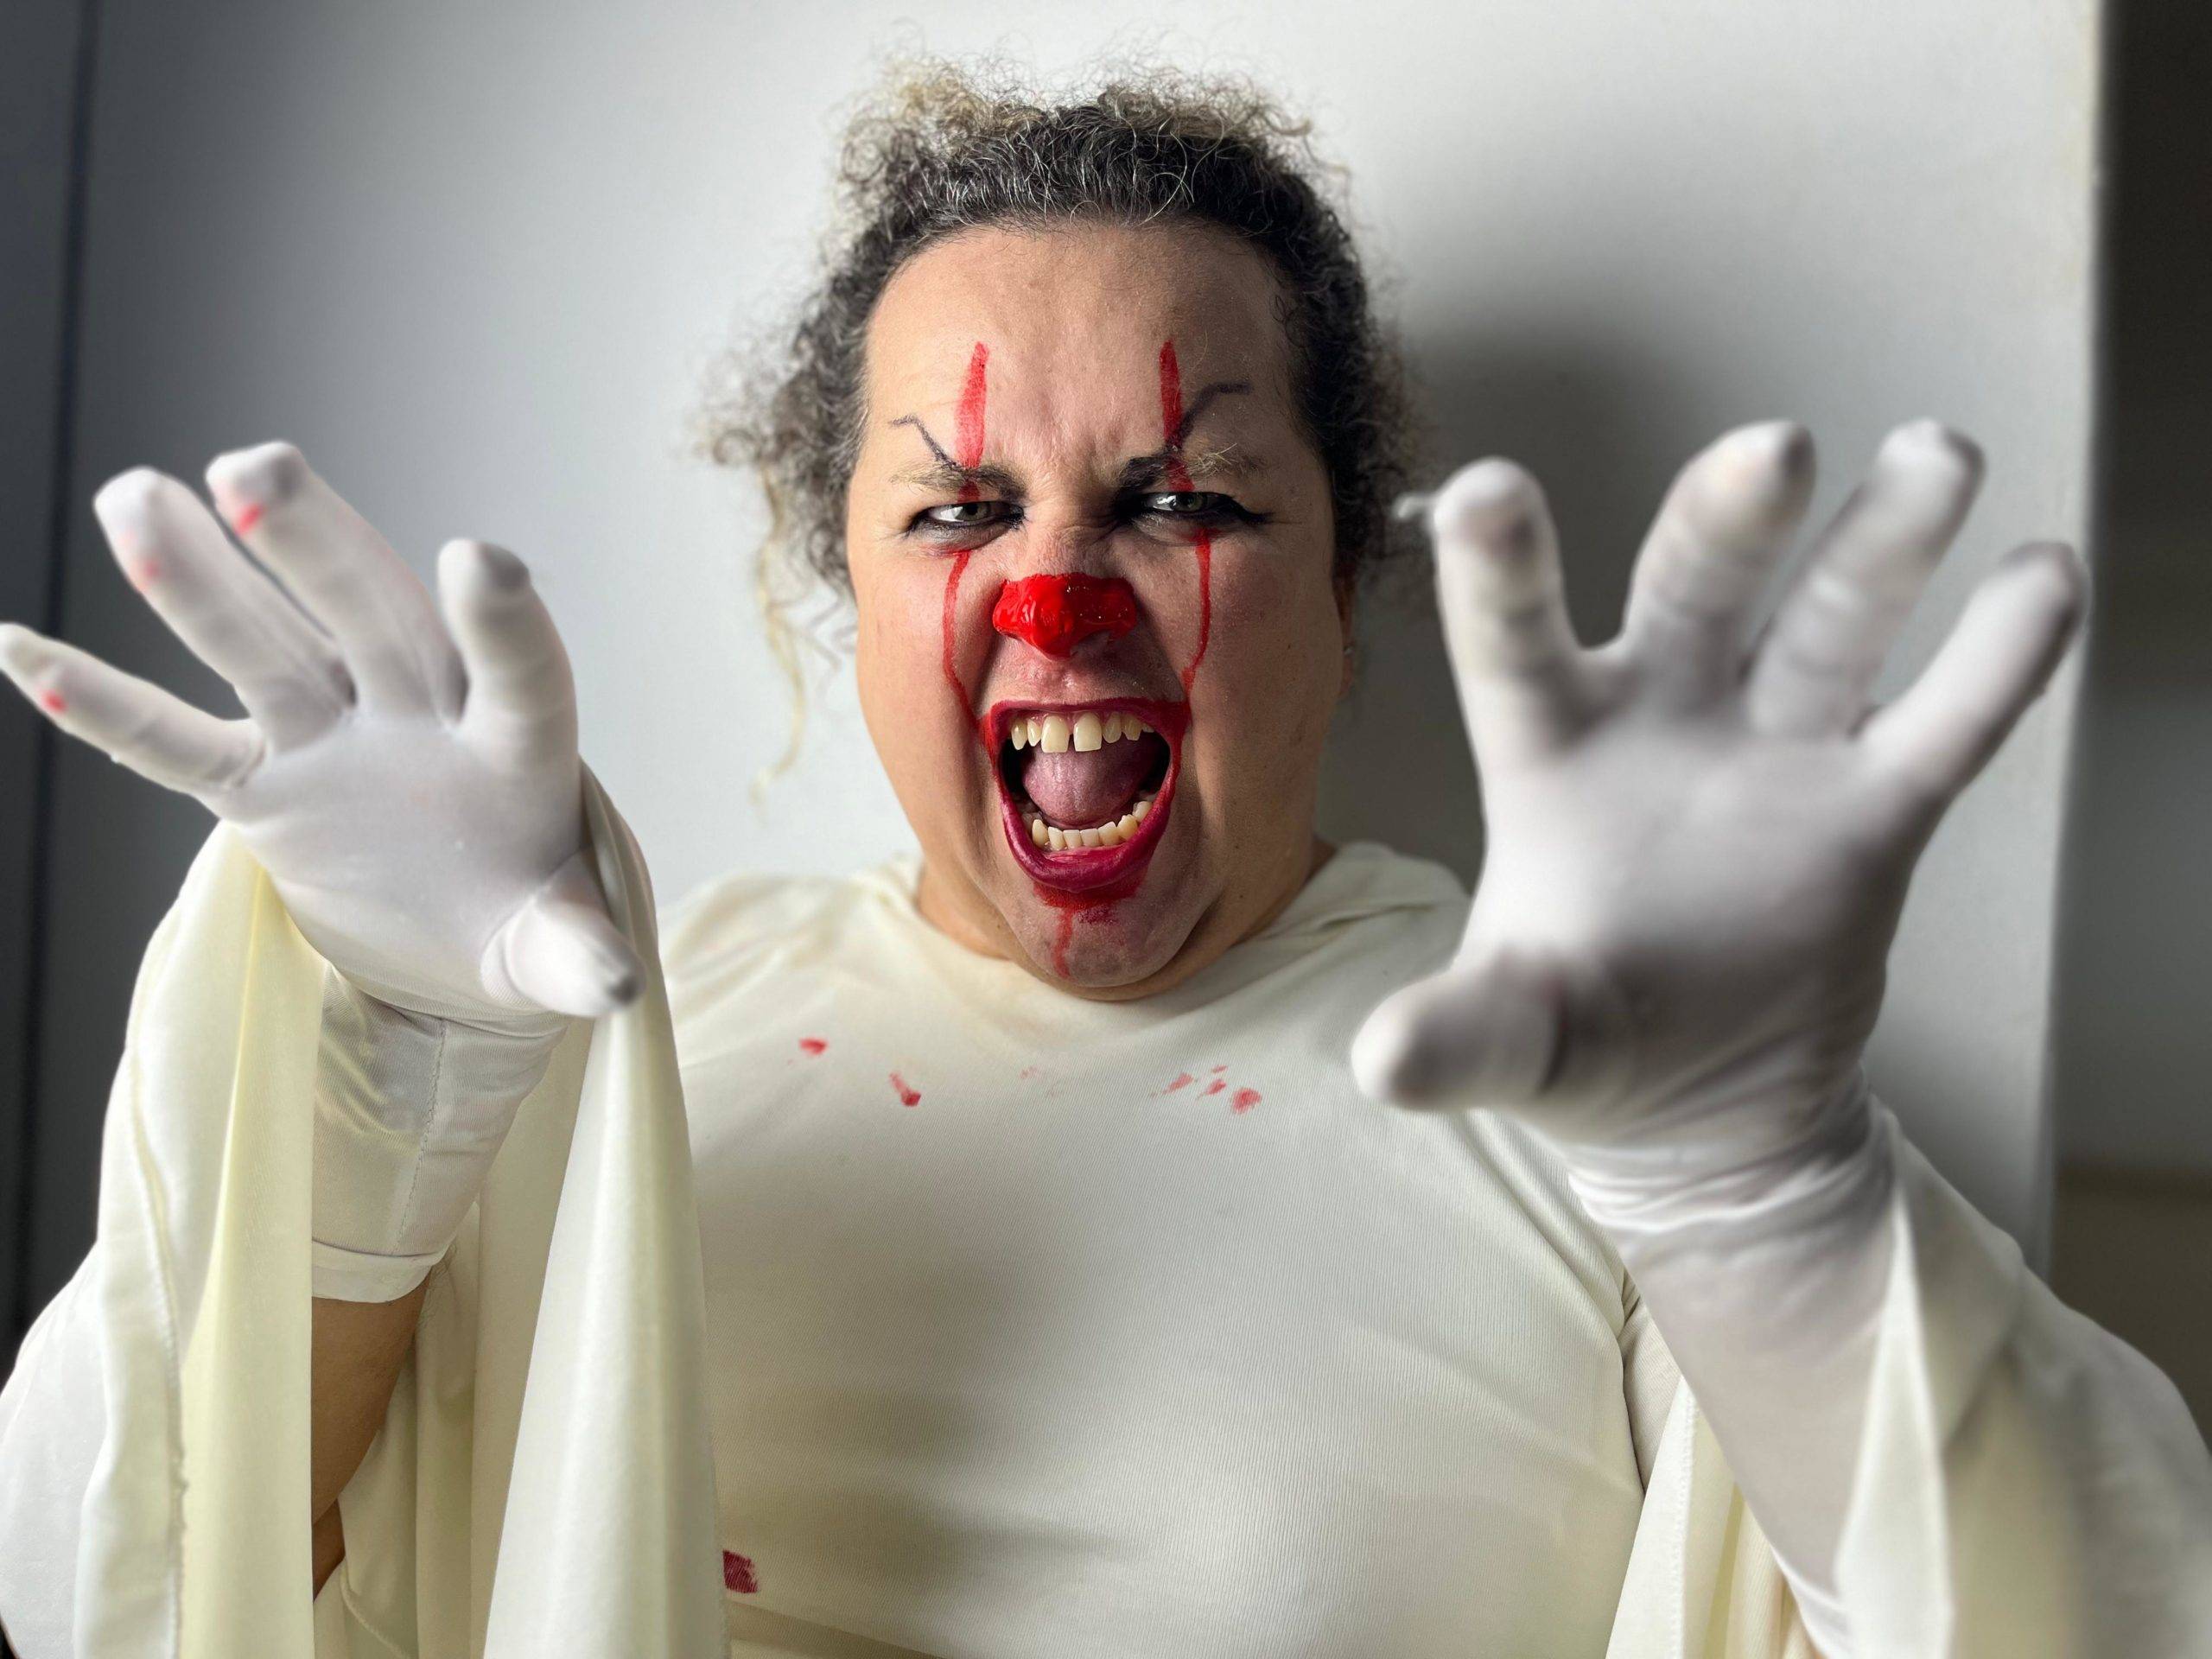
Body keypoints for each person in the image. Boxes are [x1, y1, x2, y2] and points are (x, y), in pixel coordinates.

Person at [1, 60, 2207, 1659]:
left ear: (1343, 593)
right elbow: (138, 1587)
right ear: (848, 596)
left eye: (1186, 501)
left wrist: (1758, 1204)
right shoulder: (594, 1025)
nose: (1056, 599)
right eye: (957, 512)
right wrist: (384, 1074)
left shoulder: (1594, 1077)